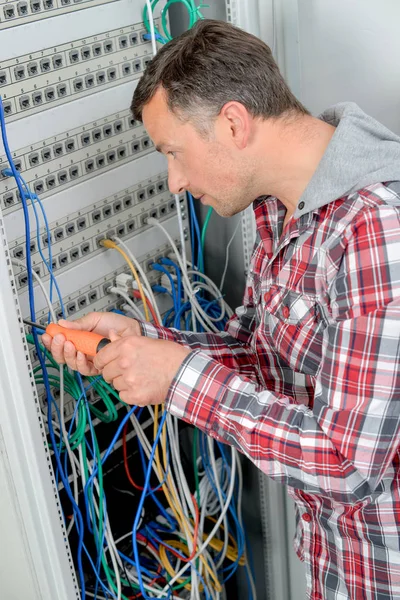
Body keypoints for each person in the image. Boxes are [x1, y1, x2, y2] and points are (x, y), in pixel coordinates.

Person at [42, 19, 400, 600]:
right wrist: (146, 346)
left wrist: (178, 378)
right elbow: (267, 358)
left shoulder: (376, 232)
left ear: (233, 122)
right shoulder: (284, 210)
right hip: (337, 565)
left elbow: (351, 467)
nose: (175, 182)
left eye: (174, 153)